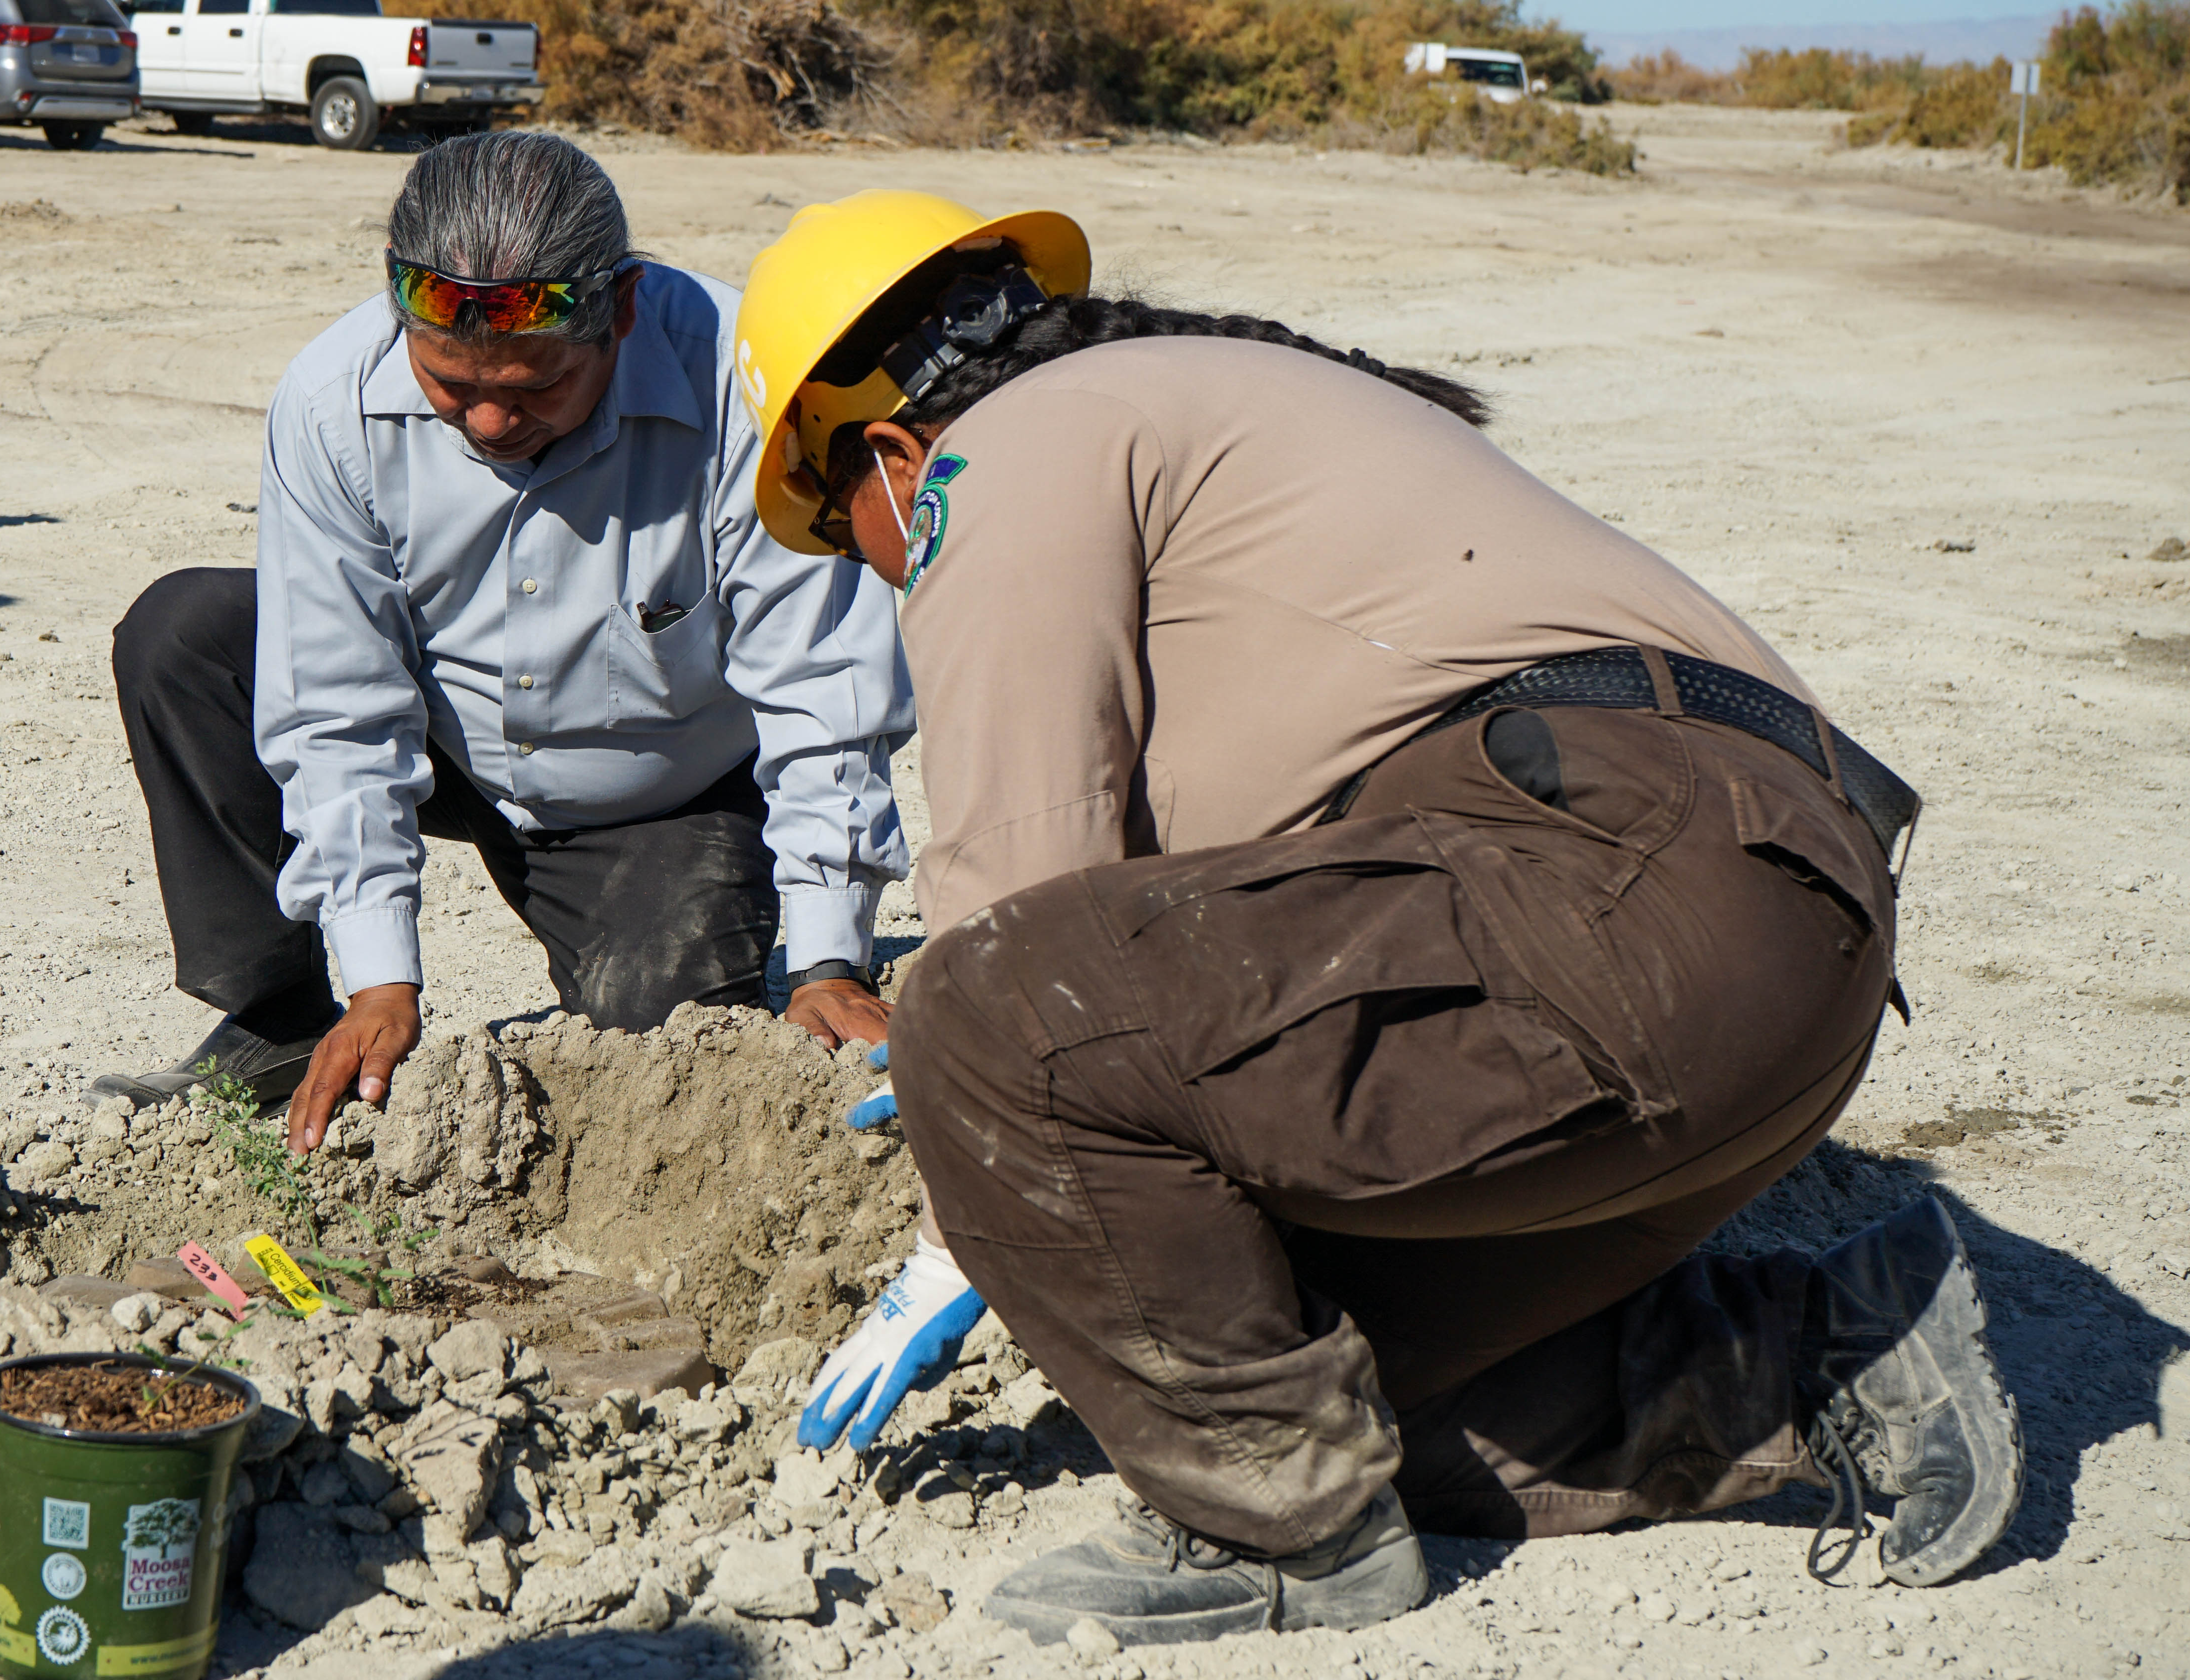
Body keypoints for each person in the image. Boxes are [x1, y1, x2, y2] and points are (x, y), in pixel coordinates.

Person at [744, 193, 2020, 1646]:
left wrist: (963, 1181)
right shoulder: (1217, 441)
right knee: (1278, 1369)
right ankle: (1838, 1355)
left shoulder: (1003, 449)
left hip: (1625, 884)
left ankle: (1284, 1547)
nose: (882, 576)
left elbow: (1017, 890)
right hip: (1765, 955)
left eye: (851, 541)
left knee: (977, 1002)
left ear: (892, 455)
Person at [92, 133, 912, 1151]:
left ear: (617, 312)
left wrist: (831, 959)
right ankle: (280, 1017)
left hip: (662, 790)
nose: (487, 419)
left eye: (532, 389)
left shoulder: (747, 382)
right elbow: (333, 698)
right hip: (447, 732)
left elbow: (823, 681)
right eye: (449, 385)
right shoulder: (332, 397)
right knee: (189, 635)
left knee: (667, 1057)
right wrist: (380, 977)